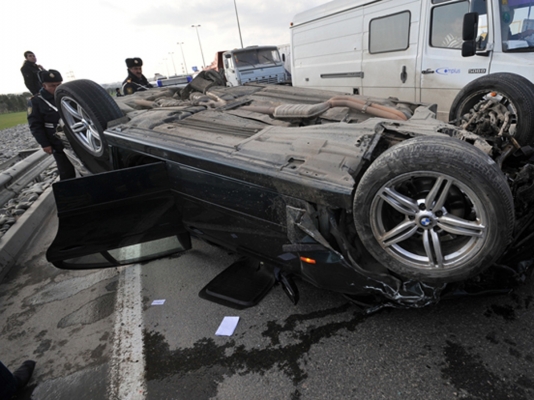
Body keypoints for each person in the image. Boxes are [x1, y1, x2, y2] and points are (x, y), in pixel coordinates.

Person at [27, 69, 76, 181]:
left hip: (75, 137)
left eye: (59, 84)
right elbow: (35, 125)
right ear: (44, 85)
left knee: (85, 167)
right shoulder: (36, 101)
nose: (56, 88)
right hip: (57, 141)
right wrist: (45, 144)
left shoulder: (67, 95)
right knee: (66, 171)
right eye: (52, 85)